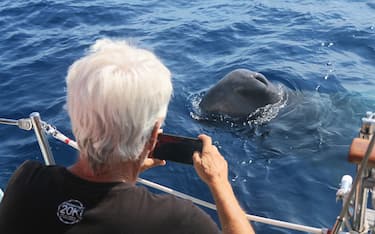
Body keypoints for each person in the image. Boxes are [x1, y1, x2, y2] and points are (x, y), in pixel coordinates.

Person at [0, 38, 255, 234]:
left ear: (75, 120)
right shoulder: (176, 220)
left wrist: (127, 172)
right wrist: (219, 182)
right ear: (154, 135)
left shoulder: (27, 181)